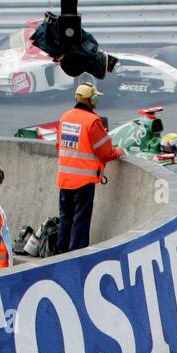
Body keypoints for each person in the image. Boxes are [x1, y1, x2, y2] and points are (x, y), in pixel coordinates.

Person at [56, 82, 123, 253]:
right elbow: (106, 152)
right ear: (90, 99)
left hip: (65, 179)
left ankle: (60, 253)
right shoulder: (92, 121)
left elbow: (59, 146)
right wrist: (118, 152)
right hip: (83, 181)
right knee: (81, 220)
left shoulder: (65, 118)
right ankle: (77, 255)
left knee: (65, 219)